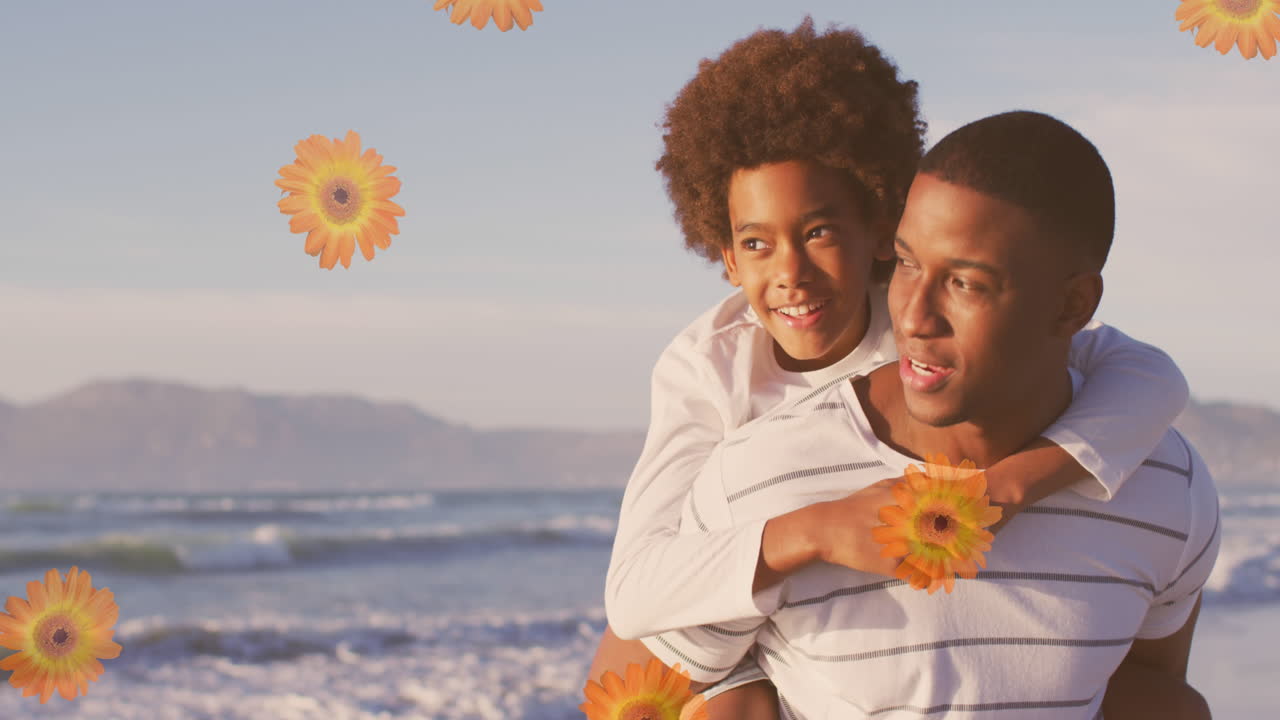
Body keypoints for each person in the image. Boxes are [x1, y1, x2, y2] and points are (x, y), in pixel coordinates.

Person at [588, 18, 1191, 716]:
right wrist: (816, 529)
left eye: (818, 233)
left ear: (879, 227)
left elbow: (1151, 380)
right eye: (755, 243)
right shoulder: (710, 367)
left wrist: (1014, 484)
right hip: (746, 594)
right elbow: (636, 588)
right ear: (722, 256)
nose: (790, 273)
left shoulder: (912, 309)